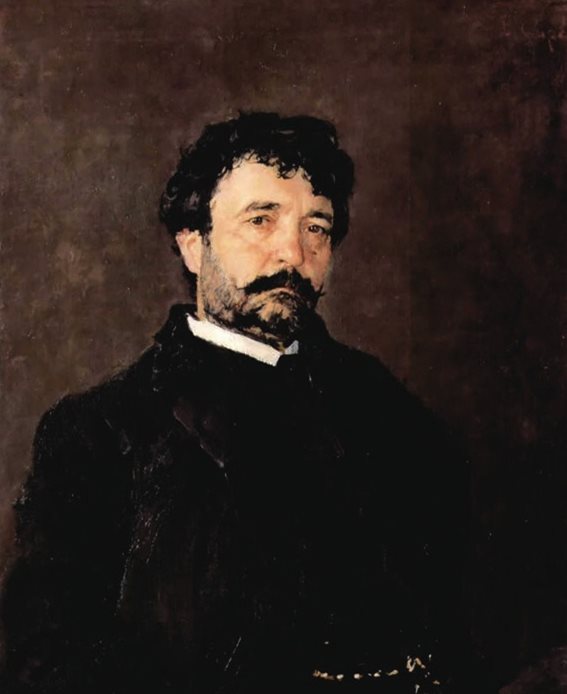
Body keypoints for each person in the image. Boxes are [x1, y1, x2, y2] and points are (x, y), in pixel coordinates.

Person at [0, 112, 494, 693]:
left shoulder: (382, 403)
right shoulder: (97, 431)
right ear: (193, 244)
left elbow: (462, 615)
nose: (293, 254)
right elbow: (43, 662)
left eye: (316, 227)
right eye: (261, 220)